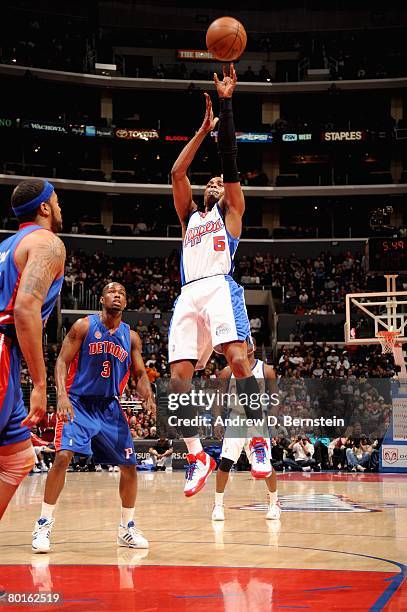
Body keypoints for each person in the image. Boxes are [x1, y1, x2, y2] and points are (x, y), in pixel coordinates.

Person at [169, 64, 263, 497]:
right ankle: (196, 455)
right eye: (209, 183)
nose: (213, 184)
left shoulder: (232, 217)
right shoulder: (190, 217)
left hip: (219, 287)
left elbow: (229, 162)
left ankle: (257, 440)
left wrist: (225, 106)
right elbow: (177, 175)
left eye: (218, 183)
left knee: (240, 363)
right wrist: (202, 130)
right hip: (189, 295)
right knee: (178, 381)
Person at [32, 282, 155, 552]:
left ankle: (127, 528)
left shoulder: (131, 337)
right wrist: (62, 395)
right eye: (112, 291)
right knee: (63, 456)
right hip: (79, 403)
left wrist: (147, 392)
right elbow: (62, 361)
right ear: (101, 299)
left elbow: (139, 373)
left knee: (129, 466)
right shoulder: (83, 327)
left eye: (122, 292)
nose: (118, 295)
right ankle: (43, 524)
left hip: (110, 408)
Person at [0, 179, 65, 520]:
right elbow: (25, 307)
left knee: (18, 458)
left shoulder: (9, 244)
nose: (59, 207)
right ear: (44, 208)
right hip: (2, 346)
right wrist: (40, 384)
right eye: (56, 201)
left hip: (7, 351)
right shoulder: (48, 243)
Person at [212, 342, 281, 521]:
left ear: (254, 347)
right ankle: (218, 505)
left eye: (250, 343)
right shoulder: (228, 370)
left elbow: (275, 398)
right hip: (235, 418)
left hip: (258, 420)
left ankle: (274, 503)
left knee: (266, 463)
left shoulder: (266, 370)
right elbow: (219, 396)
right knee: (225, 463)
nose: (247, 346)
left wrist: (272, 419)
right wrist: (218, 419)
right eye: (244, 343)